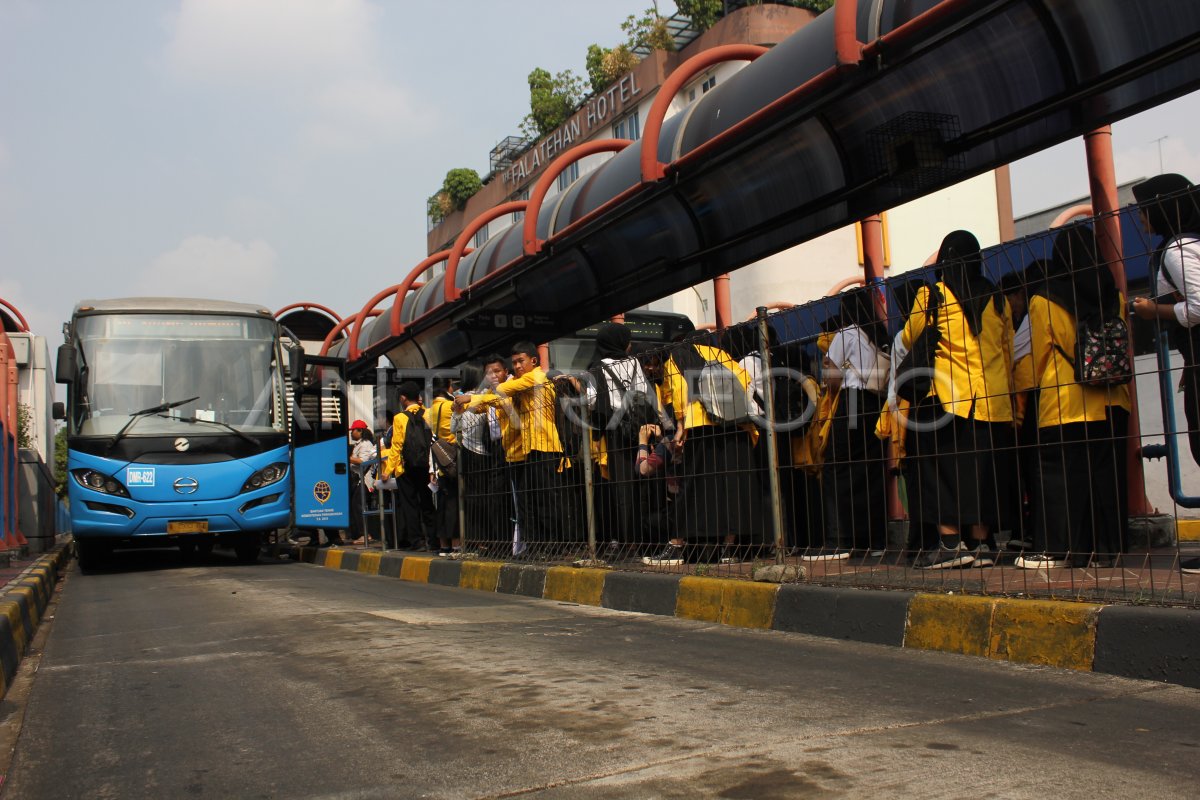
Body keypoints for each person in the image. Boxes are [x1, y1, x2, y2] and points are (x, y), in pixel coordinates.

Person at [902, 230, 1014, 570]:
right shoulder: (997, 299)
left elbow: (910, 337)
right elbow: (1007, 349)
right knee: (978, 474)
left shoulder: (932, 294)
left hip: (945, 398)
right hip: (990, 402)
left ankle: (951, 545)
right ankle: (980, 543)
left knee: (936, 470)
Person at [1020, 225, 1132, 568]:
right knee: (1107, 477)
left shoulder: (1044, 298)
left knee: (1062, 477)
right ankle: (1110, 548)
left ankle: (1063, 549)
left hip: (1066, 403)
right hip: (1114, 399)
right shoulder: (1113, 295)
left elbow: (1039, 357)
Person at [1129, 174, 1200, 575]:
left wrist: (1150, 311)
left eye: (1143, 210)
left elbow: (1198, 306)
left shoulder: (1177, 249)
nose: (1141, 220)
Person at [645, 334, 760, 566]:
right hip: (735, 423)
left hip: (701, 423)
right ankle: (731, 546)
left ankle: (677, 545)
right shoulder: (719, 354)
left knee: (695, 485)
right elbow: (745, 379)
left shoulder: (676, 354)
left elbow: (679, 389)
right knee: (732, 486)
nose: (650, 368)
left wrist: (679, 427)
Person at [456, 342, 565, 552]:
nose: (517, 366)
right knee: (527, 503)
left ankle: (554, 546)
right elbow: (493, 402)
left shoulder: (536, 378)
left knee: (545, 500)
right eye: (514, 362)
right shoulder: (519, 384)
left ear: (533, 360)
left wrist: (473, 397)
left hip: (546, 445)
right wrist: (472, 402)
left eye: (520, 361)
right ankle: (535, 547)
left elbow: (503, 391)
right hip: (525, 448)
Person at [805, 288, 889, 561]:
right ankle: (874, 540)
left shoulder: (846, 333)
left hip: (851, 404)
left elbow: (831, 378)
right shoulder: (878, 335)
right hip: (876, 405)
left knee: (835, 469)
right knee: (870, 471)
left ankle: (838, 539)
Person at [588, 322, 659, 558]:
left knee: (620, 489)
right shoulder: (633, 363)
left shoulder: (597, 368)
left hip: (614, 431)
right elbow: (645, 394)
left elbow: (591, 402)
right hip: (638, 429)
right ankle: (641, 540)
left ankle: (623, 541)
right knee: (640, 482)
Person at [382, 381, 432, 551]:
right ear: (418, 397)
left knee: (410, 505)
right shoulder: (427, 413)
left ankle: (417, 542)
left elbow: (397, 446)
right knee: (427, 502)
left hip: (406, 468)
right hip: (426, 466)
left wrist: (388, 470)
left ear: (403, 398)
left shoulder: (399, 418)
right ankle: (434, 539)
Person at [425, 376, 459, 557]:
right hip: (452, 456)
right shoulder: (450, 406)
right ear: (447, 387)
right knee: (454, 501)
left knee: (443, 503)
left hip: (438, 459)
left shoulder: (427, 412)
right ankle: (456, 544)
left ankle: (443, 544)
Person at [348, 419, 378, 546]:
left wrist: (348, 458)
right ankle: (362, 533)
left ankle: (365, 534)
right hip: (359, 479)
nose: (351, 433)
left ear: (359, 431)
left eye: (352, 431)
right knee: (356, 505)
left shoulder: (365, 444)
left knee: (358, 505)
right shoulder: (359, 444)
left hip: (364, 480)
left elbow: (363, 461)